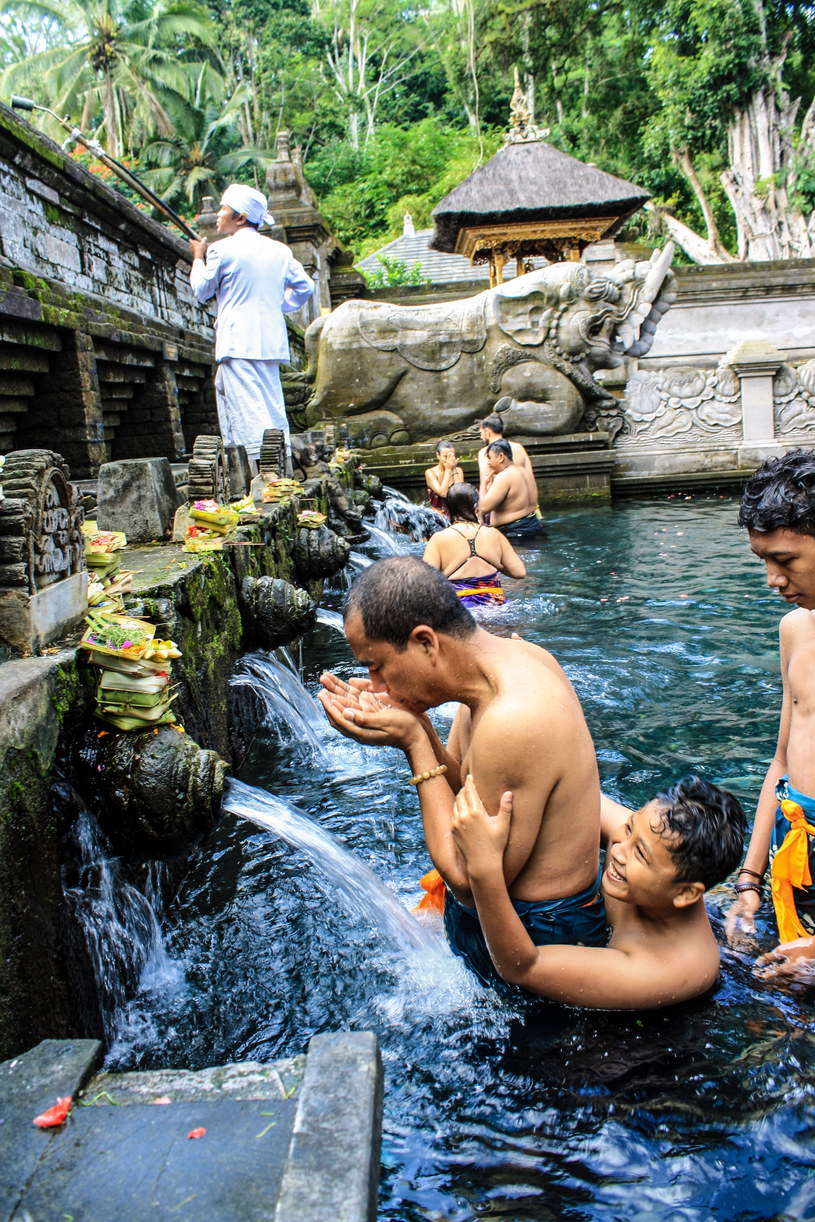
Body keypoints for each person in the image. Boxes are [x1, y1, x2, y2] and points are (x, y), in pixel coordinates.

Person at [317, 555, 607, 987]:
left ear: (426, 643)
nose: (376, 685)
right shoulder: (517, 660)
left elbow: (469, 880)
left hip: (543, 942)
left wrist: (413, 744)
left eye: (376, 666)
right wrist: (422, 725)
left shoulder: (514, 720)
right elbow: (470, 783)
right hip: (532, 923)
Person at [452, 775, 745, 1007]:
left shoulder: (667, 968)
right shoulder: (656, 841)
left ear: (686, 894)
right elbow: (573, 793)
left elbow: (523, 968)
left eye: (640, 855)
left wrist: (484, 867)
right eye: (629, 828)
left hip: (644, 1044)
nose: (619, 850)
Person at [725, 449, 815, 977]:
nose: (771, 579)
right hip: (791, 852)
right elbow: (780, 763)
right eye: (763, 559)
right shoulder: (796, 630)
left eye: (785, 559)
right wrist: (748, 883)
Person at [189, 183, 314, 463]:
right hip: (270, 342)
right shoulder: (280, 251)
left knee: (248, 412)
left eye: (223, 209)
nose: (218, 214)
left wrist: (198, 257)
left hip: (237, 342)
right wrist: (277, 305)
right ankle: (282, 465)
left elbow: (201, 290)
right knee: (271, 407)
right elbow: (305, 287)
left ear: (240, 217)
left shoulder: (221, 250)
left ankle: (265, 472)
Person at [422, 482, 525, 607]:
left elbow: (425, 583)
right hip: (495, 605)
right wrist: (495, 563)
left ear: (448, 509)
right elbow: (519, 572)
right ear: (476, 507)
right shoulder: (493, 534)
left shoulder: (438, 539)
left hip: (460, 609)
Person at [479, 440, 541, 539]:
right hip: (532, 524)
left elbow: (484, 507)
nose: (488, 463)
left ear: (500, 457)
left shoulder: (504, 476)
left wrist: (483, 483)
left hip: (515, 532)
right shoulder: (524, 472)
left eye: (489, 458)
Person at [477, 410, 538, 509]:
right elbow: (531, 480)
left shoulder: (485, 453)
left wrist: (481, 514)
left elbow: (486, 484)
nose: (481, 437)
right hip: (525, 507)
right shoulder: (519, 448)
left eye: (481, 433)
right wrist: (536, 508)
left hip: (502, 509)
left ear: (487, 432)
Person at [424, 439, 464, 518]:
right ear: (438, 455)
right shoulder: (430, 472)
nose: (449, 460)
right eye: (445, 457)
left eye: (451, 456)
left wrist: (453, 469)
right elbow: (443, 493)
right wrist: (448, 470)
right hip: (439, 517)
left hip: (457, 514)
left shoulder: (458, 470)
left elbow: (461, 494)